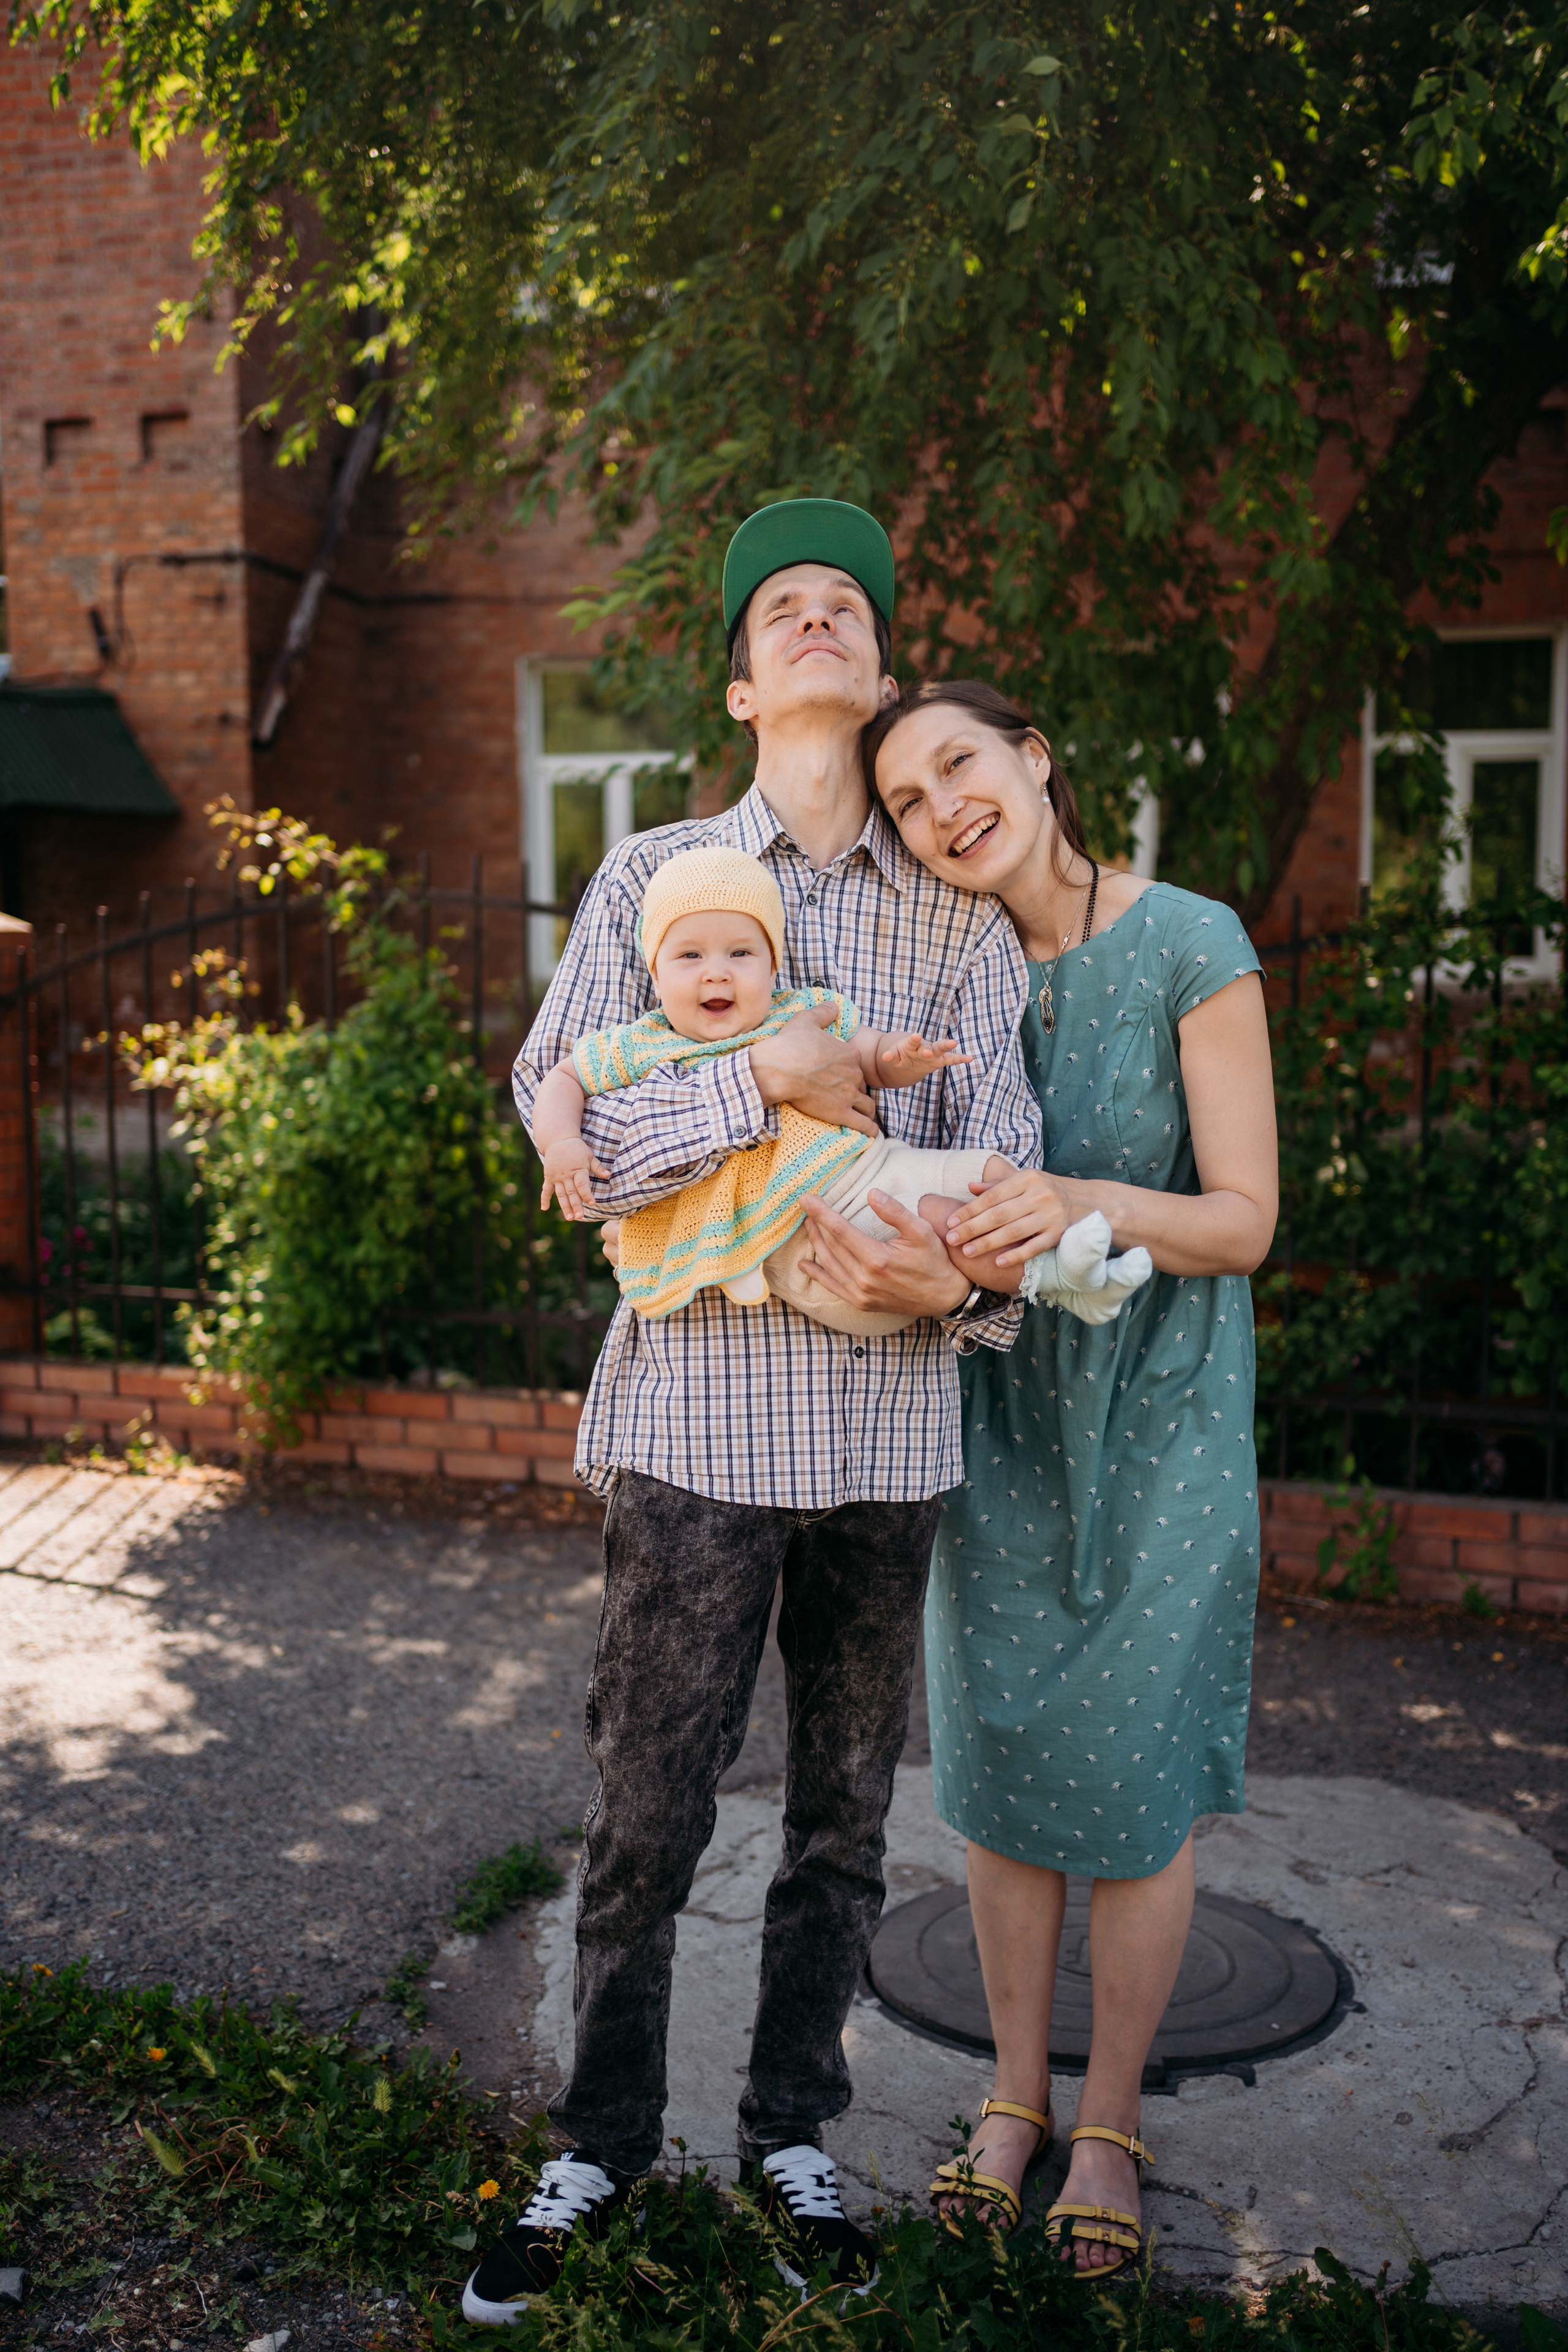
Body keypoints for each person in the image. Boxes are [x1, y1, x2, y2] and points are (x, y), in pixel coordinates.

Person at [464, 499, 1043, 2326]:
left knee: (847, 1815)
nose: (815, 618)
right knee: (648, 1800)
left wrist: (962, 1275)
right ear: (738, 674)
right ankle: (600, 2139)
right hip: (697, 1433)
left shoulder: (949, 910)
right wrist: (763, 1085)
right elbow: (571, 1133)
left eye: (846, 604)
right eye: (780, 605)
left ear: (875, 676)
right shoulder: (648, 879)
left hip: (885, 1437)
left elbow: (1011, 1159)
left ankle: (791, 2126)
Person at [862, 679, 1278, 2280]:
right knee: (1004, 1772)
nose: (941, 807)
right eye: (906, 799)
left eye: (957, 763)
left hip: (1163, 1428)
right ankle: (1015, 2096)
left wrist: (1071, 1199)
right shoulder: (940, 978)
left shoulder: (1189, 937)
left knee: (1142, 1791)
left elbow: (1242, 1224)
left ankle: (1110, 2116)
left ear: (1036, 757)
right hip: (998, 1420)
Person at [532, 842, 1151, 1332]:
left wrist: (898, 1057)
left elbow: (864, 1054)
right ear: (655, 972)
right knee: (944, 1221)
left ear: (772, 966)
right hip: (812, 1233)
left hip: (874, 1169)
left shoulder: (797, 1013)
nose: (716, 971)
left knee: (989, 1181)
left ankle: (1067, 1280)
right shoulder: (642, 1044)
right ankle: (1053, 1280)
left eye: (741, 953)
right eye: (689, 956)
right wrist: (561, 1144)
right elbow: (561, 1078)